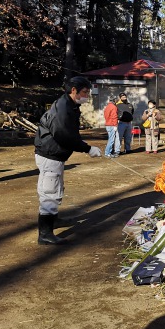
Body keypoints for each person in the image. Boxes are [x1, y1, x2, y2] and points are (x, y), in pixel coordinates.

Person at [34, 76, 102, 245]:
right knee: (49, 192)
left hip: (56, 155)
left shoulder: (71, 105)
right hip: (50, 155)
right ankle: (45, 234)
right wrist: (87, 148)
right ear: (74, 90)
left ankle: (54, 220)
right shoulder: (63, 108)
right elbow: (64, 135)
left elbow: (71, 133)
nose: (87, 96)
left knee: (56, 188)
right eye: (85, 92)